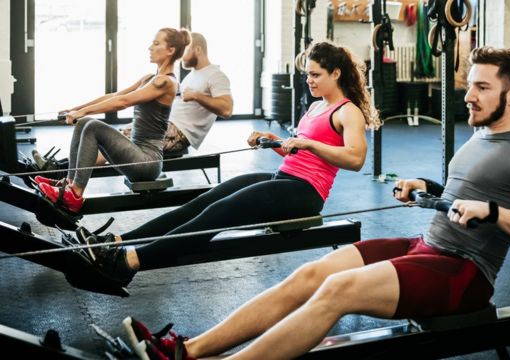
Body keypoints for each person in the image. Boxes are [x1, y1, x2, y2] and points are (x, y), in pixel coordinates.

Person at [120, 46, 510, 360]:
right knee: (311, 275)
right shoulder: (479, 137)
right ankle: (188, 350)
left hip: (466, 273)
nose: (469, 95)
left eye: (481, 87)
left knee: (336, 293)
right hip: (426, 245)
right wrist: (431, 189)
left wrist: (497, 214)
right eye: (470, 84)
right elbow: (467, 196)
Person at [77, 41, 381, 290]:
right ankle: (116, 242)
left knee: (217, 215)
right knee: (203, 202)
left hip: (306, 193)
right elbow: (299, 151)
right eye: (308, 75)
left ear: (336, 73)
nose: (309, 80)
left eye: (316, 75)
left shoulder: (347, 112)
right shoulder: (316, 106)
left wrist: (309, 143)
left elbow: (355, 159)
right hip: (285, 176)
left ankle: (128, 264)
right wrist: (273, 139)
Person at [35, 28, 192, 214]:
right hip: (135, 153)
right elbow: (114, 95)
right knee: (85, 122)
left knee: (92, 125)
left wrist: (83, 111)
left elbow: (122, 102)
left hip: (147, 162)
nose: (150, 47)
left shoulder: (166, 82)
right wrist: (76, 109)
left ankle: (75, 193)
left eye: (156, 44)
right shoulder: (150, 78)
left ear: (170, 50)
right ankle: (69, 184)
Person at [95, 32, 233, 164]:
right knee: (106, 138)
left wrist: (197, 95)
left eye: (184, 51)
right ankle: (77, 176)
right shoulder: (193, 75)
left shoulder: (216, 75)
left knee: (113, 141)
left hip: (178, 133)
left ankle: (76, 180)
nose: (180, 57)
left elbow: (227, 110)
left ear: (197, 49)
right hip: (164, 125)